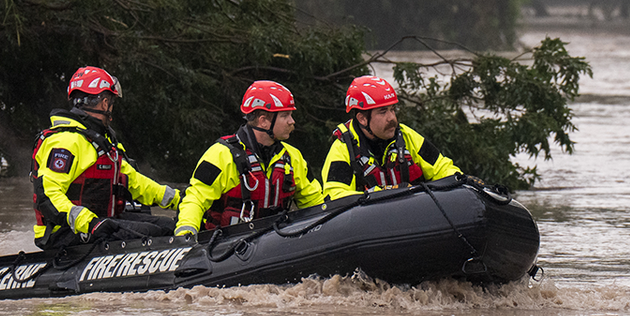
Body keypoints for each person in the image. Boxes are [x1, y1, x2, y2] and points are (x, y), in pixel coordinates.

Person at [31, 66, 180, 249]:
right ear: (104, 103)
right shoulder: (66, 141)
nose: (111, 108)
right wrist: (90, 223)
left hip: (100, 223)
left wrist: (179, 199)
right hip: (68, 232)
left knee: (170, 226)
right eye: (111, 102)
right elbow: (48, 194)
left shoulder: (102, 142)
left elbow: (134, 182)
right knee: (158, 234)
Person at [174, 80, 324, 238]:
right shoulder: (221, 154)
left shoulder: (293, 157)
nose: (292, 121)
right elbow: (195, 198)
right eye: (285, 115)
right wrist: (186, 232)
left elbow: (315, 202)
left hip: (275, 244)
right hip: (224, 246)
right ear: (263, 120)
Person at [321, 75, 460, 200]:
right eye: (383, 112)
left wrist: (458, 179)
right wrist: (379, 194)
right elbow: (336, 195)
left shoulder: (406, 136)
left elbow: (442, 168)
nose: (392, 118)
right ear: (362, 119)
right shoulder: (343, 149)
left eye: (392, 109)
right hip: (369, 223)